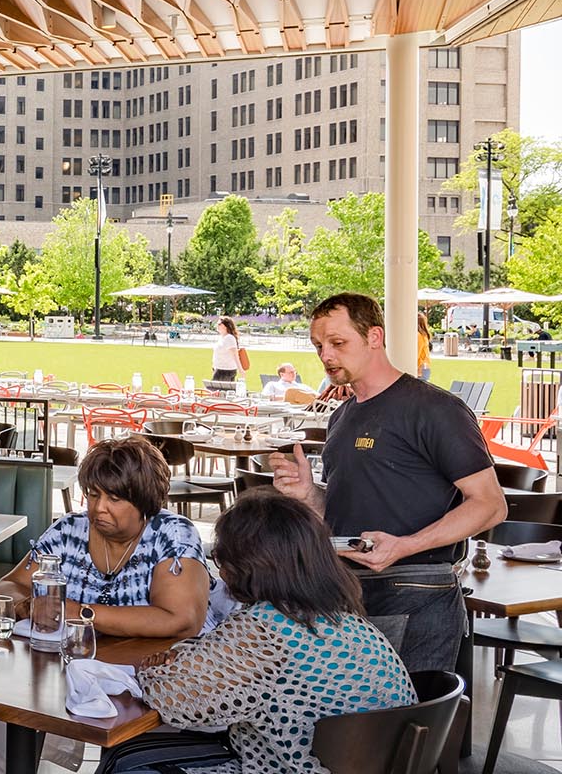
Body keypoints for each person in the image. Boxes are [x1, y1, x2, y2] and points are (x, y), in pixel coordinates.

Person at [270, 292, 506, 671]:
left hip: (419, 591)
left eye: (338, 343)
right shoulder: (342, 415)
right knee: (356, 725)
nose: (325, 355)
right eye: (318, 345)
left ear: (374, 337)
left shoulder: (434, 409)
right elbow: (353, 506)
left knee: (405, 724)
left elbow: (490, 504)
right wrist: (309, 494)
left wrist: (404, 546)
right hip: (348, 591)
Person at [134, 491, 415, 774]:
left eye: (220, 559)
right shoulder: (351, 623)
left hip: (291, 768)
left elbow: (174, 698)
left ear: (246, 566)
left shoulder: (262, 631)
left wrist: (153, 668)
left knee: (132, 764)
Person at [0, 437, 212, 773]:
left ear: (145, 500)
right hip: (75, 670)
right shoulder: (68, 530)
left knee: (126, 747)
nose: (98, 508)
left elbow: (183, 620)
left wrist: (81, 613)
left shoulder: (171, 534)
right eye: (93, 494)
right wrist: (25, 605)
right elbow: (9, 583)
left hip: (156, 676)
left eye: (114, 498)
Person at [210, 316, 245, 387]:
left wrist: (241, 370)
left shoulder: (229, 338)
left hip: (225, 370)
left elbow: (235, 355)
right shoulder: (222, 337)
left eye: (219, 324)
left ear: (226, 326)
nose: (217, 326)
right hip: (220, 369)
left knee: (216, 392)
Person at [417, 311, 433, 381]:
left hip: (420, 368)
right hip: (425, 367)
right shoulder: (424, 335)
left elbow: (416, 353)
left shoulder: (419, 336)